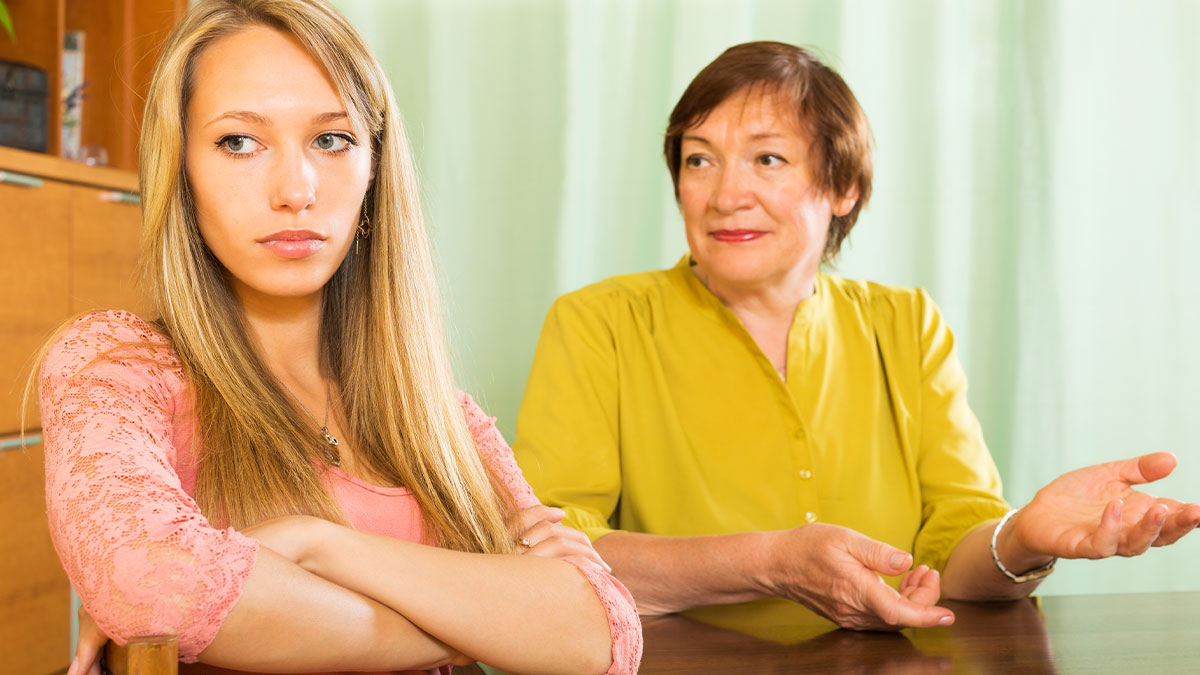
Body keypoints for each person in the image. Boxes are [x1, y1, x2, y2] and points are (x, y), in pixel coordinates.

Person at [35, 1, 641, 673]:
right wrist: (491, 616)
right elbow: (150, 586)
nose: (296, 189)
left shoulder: (442, 417)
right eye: (239, 141)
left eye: (331, 139)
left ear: (376, 166)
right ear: (180, 173)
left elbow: (604, 632)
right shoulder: (118, 367)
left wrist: (315, 545)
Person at [512, 41, 1200, 630]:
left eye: (767, 159)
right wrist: (771, 563)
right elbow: (550, 545)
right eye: (699, 160)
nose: (725, 195)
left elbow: (956, 548)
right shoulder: (598, 321)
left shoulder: (907, 323)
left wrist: (1020, 538)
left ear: (842, 185)